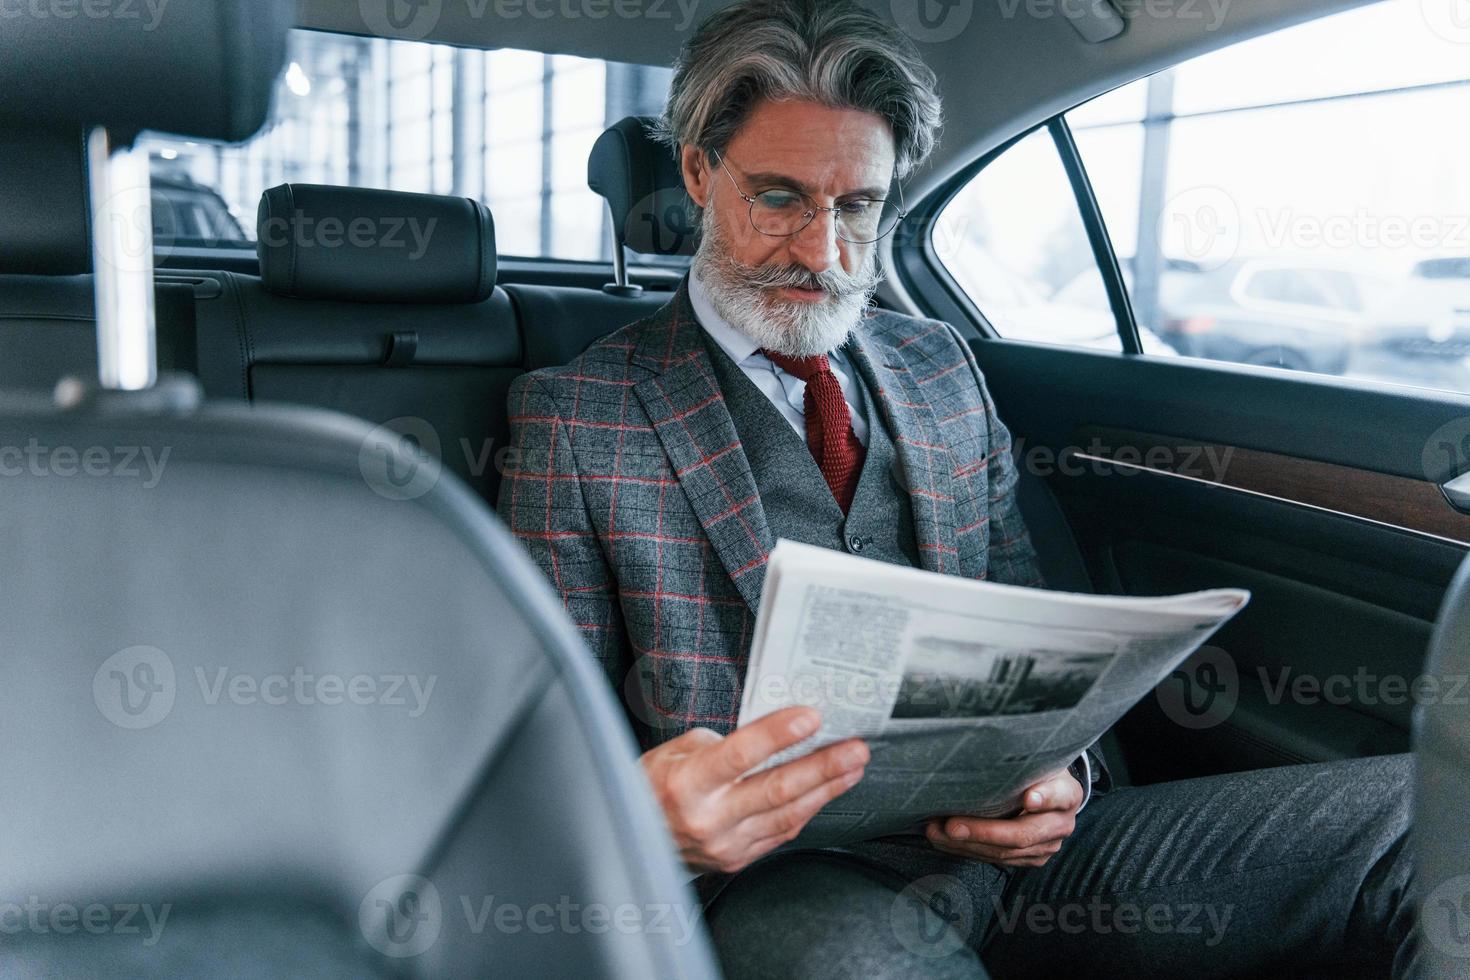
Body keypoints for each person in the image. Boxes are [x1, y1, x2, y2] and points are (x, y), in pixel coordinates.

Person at [497, 1, 1418, 975]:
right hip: (786, 884)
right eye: (780, 198)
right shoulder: (576, 416)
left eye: (857, 207)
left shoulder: (938, 364)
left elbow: (1040, 623)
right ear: (696, 171)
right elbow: (531, 755)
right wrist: (645, 813)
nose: (824, 253)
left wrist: (1060, 774)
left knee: (1430, 814)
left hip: (1015, 857)